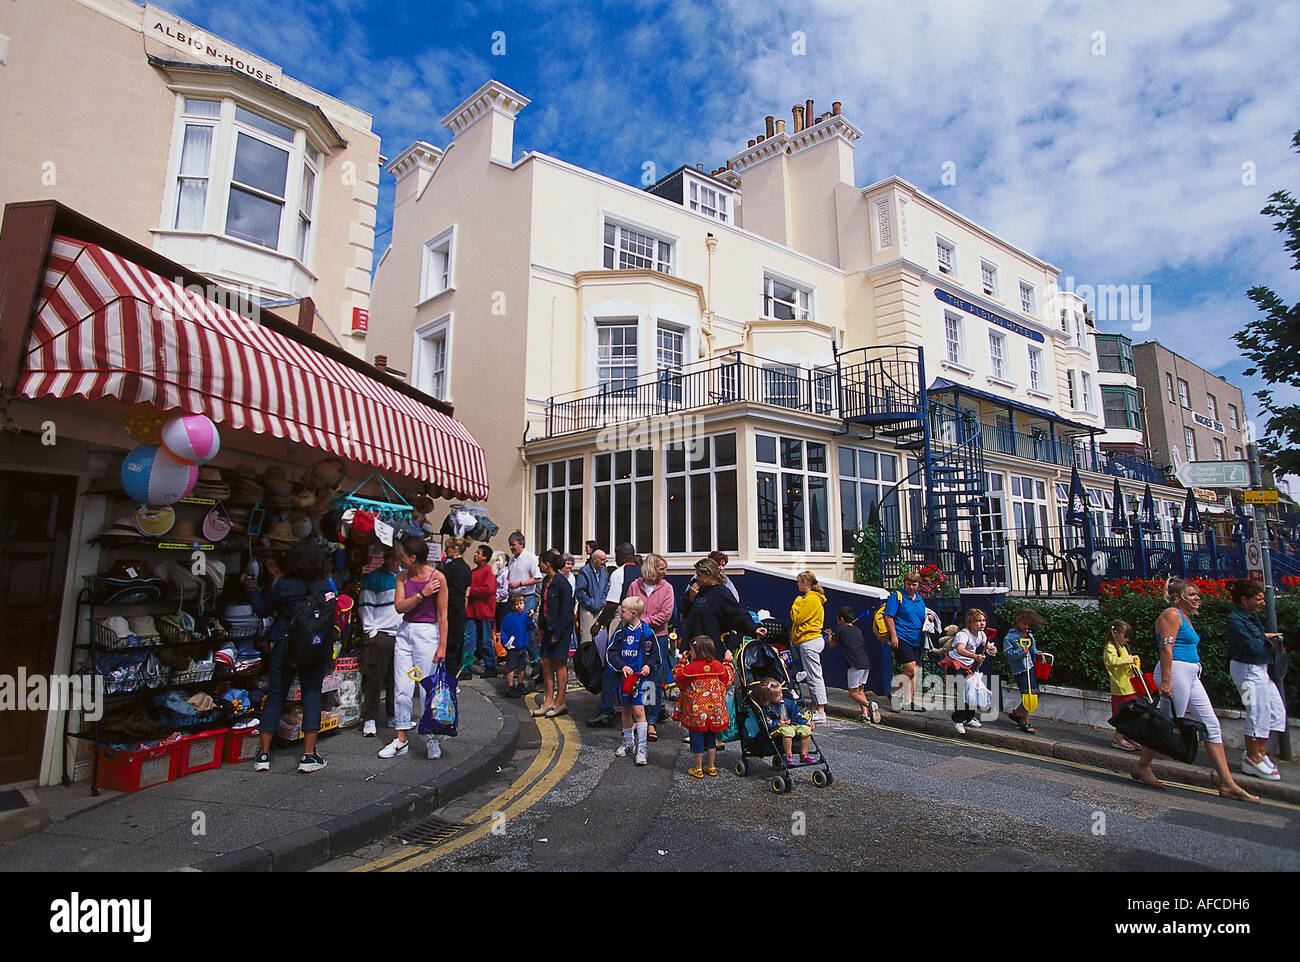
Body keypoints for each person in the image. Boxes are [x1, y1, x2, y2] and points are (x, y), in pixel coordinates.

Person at [1130, 578, 1259, 803]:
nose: (1197, 597)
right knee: (1167, 724)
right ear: (1178, 597)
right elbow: (1166, 649)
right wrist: (1167, 682)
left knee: (1211, 725)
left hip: (1190, 673)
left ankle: (1227, 783)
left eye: (1197, 594)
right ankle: (1143, 766)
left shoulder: (1185, 617)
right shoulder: (1171, 614)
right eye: (1191, 594)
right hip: (1175, 671)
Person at [245, 537, 338, 773]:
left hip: (284, 645)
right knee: (311, 697)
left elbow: (262, 609)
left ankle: (263, 754)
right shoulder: (324, 584)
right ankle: (308, 755)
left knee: (275, 695)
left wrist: (252, 589)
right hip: (314, 648)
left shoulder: (284, 584)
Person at [378, 536, 448, 760]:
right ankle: (401, 739)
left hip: (428, 634)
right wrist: (422, 594)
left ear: (413, 557)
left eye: (402, 556)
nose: (399, 559)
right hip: (406, 632)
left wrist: (442, 646)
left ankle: (431, 739)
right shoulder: (402, 577)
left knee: (427, 687)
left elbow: (442, 615)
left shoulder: (438, 577)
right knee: (402, 687)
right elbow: (399, 607)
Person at [1226, 579, 1287, 781]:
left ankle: (1260, 753)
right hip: (1247, 670)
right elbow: (1252, 646)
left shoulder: (1250, 617)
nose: (1263, 603)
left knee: (1274, 711)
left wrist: (1266, 637)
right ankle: (1251, 758)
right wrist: (1267, 640)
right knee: (1257, 712)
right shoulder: (1235, 619)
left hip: (1260, 669)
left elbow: (1257, 638)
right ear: (1245, 600)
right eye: (1259, 599)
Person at [586, 542, 641, 728]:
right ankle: (646, 710)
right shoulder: (641, 572)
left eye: (616, 554)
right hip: (640, 624)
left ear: (621, 555)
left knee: (611, 665)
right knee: (638, 667)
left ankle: (607, 709)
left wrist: (598, 623)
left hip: (622, 621)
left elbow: (611, 604)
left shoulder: (619, 573)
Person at [606, 596, 660, 766]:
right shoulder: (620, 633)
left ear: (634, 613)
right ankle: (628, 743)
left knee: (639, 711)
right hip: (625, 679)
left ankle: (642, 749)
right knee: (625, 711)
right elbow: (611, 653)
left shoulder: (647, 632)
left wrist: (649, 666)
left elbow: (656, 655)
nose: (620, 613)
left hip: (642, 680)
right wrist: (621, 666)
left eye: (623, 611)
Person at [627, 552, 674, 740]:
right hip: (636, 639)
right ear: (651, 568)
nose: (665, 572)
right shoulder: (634, 586)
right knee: (635, 678)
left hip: (658, 639)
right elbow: (628, 609)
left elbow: (665, 616)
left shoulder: (667, 588)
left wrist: (642, 621)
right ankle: (638, 718)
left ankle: (651, 721)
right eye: (662, 568)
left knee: (653, 680)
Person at [673, 636, 735, 778]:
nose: (690, 653)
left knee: (697, 740)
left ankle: (698, 768)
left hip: (697, 712)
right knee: (711, 740)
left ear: (698, 652)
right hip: (714, 712)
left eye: (692, 651)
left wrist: (682, 661)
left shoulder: (691, 668)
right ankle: (712, 766)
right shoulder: (717, 666)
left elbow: (677, 676)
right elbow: (729, 677)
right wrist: (727, 660)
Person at [680, 556, 765, 656]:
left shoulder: (721, 593)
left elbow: (737, 614)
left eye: (699, 575)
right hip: (694, 647)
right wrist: (690, 597)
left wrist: (754, 628)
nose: (696, 578)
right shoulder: (696, 590)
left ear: (709, 575)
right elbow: (685, 612)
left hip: (711, 648)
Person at [358, 546, 401, 737]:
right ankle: (370, 718)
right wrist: (371, 631)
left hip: (400, 635)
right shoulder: (374, 578)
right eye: (389, 556)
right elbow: (366, 605)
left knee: (397, 678)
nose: (392, 560)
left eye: (396, 557)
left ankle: (393, 714)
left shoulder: (404, 577)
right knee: (375, 678)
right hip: (381, 633)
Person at [533, 550, 573, 718]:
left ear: (547, 564)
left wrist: (557, 633)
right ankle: (548, 699)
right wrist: (541, 626)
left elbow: (566, 612)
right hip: (548, 627)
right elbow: (544, 605)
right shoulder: (546, 582)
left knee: (559, 663)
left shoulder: (562, 584)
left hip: (561, 629)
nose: (538, 565)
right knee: (545, 661)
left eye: (540, 562)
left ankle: (560, 701)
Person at [883, 570, 926, 711]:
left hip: (917, 638)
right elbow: (889, 616)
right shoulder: (897, 596)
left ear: (918, 585)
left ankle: (909, 701)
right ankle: (893, 692)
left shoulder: (920, 599)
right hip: (902, 637)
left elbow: (920, 616)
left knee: (914, 671)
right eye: (908, 584)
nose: (911, 587)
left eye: (914, 584)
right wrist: (894, 636)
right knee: (910, 669)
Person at [828, 606, 879, 723]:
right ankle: (865, 715)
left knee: (853, 693)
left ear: (841, 619)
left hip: (854, 664)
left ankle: (870, 705)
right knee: (860, 691)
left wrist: (830, 635)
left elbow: (831, 645)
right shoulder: (857, 630)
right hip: (865, 663)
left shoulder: (840, 630)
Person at [946, 608, 992, 735]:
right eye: (978, 621)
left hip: (968, 667)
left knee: (973, 692)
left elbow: (987, 646)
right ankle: (958, 720)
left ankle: (969, 717)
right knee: (963, 693)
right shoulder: (963, 634)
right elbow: (960, 649)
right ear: (970, 622)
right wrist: (975, 656)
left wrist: (991, 650)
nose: (982, 623)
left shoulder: (982, 635)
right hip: (955, 667)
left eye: (983, 620)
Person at [791, 571, 829, 723]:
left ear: (806, 582)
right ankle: (816, 707)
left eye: (799, 581)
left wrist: (797, 602)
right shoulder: (813, 599)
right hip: (811, 640)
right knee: (814, 674)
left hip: (809, 640)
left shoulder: (810, 599)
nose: (797, 584)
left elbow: (797, 617)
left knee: (814, 676)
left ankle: (820, 710)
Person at [1002, 609, 1044, 734]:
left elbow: (1033, 649)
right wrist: (1021, 652)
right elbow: (1008, 655)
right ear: (1018, 621)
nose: (1027, 627)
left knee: (1034, 694)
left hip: (1030, 667)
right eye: (1025, 624)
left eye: (1029, 625)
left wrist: (1038, 653)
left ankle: (1016, 714)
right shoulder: (1010, 638)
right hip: (1020, 670)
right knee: (1027, 695)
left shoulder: (1029, 635)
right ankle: (1025, 721)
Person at [756, 678, 816, 766]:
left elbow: (797, 715)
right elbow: (767, 722)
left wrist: (805, 722)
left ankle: (804, 754)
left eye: (781, 693)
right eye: (777, 695)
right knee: (788, 731)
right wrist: (778, 723)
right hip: (776, 727)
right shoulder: (767, 708)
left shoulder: (787, 703)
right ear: (769, 698)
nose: (781, 696)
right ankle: (789, 756)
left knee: (806, 729)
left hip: (791, 724)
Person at [1102, 619, 1142, 751]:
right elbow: (1113, 661)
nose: (1127, 640)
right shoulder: (1110, 648)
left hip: (1130, 685)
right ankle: (1118, 738)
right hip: (1120, 687)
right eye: (1125, 636)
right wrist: (1129, 660)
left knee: (1131, 713)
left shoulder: (1122, 648)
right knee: (1121, 714)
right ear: (1115, 632)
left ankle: (1127, 735)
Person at [506, 531, 543, 673]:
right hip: (513, 599)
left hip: (525, 598)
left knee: (527, 632)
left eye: (514, 545)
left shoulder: (531, 558)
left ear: (521, 544)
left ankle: (536, 662)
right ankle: (517, 664)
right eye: (510, 545)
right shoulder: (511, 559)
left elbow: (538, 578)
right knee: (514, 632)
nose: (511, 548)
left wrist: (520, 583)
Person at [466, 543, 498, 679]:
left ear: (485, 557)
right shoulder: (473, 572)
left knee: (485, 641)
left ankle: (491, 666)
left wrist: (471, 591)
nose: (475, 555)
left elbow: (488, 589)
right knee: (468, 640)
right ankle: (465, 667)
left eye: (478, 553)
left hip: (484, 611)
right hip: (472, 611)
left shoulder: (488, 571)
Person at [442, 537, 472, 681]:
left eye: (447, 548)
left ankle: (447, 674)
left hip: (449, 605)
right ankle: (453, 673)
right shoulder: (466, 568)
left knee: (447, 643)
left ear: (454, 549)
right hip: (459, 607)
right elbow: (467, 591)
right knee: (455, 643)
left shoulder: (449, 568)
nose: (446, 551)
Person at [499, 593, 533, 698]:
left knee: (522, 667)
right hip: (512, 647)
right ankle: (510, 686)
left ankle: (520, 683)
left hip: (522, 646)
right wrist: (504, 642)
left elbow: (531, 627)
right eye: (517, 604)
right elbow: (503, 630)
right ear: (513, 606)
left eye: (521, 603)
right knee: (511, 667)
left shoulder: (525, 616)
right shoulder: (509, 617)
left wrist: (530, 618)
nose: (519, 606)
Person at [574, 547, 609, 647]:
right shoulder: (584, 571)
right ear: (594, 560)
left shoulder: (603, 572)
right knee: (587, 638)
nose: (604, 562)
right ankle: (586, 660)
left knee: (601, 638)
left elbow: (605, 590)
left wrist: (602, 602)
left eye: (605, 560)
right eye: (602, 560)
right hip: (587, 609)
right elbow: (580, 592)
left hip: (600, 609)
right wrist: (591, 604)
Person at [492, 550, 511, 629]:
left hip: (502, 603)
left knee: (501, 625)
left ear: (505, 562)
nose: (497, 563)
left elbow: (505, 590)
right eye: (496, 560)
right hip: (498, 601)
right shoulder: (499, 572)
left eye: (499, 560)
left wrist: (497, 601)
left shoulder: (506, 573)